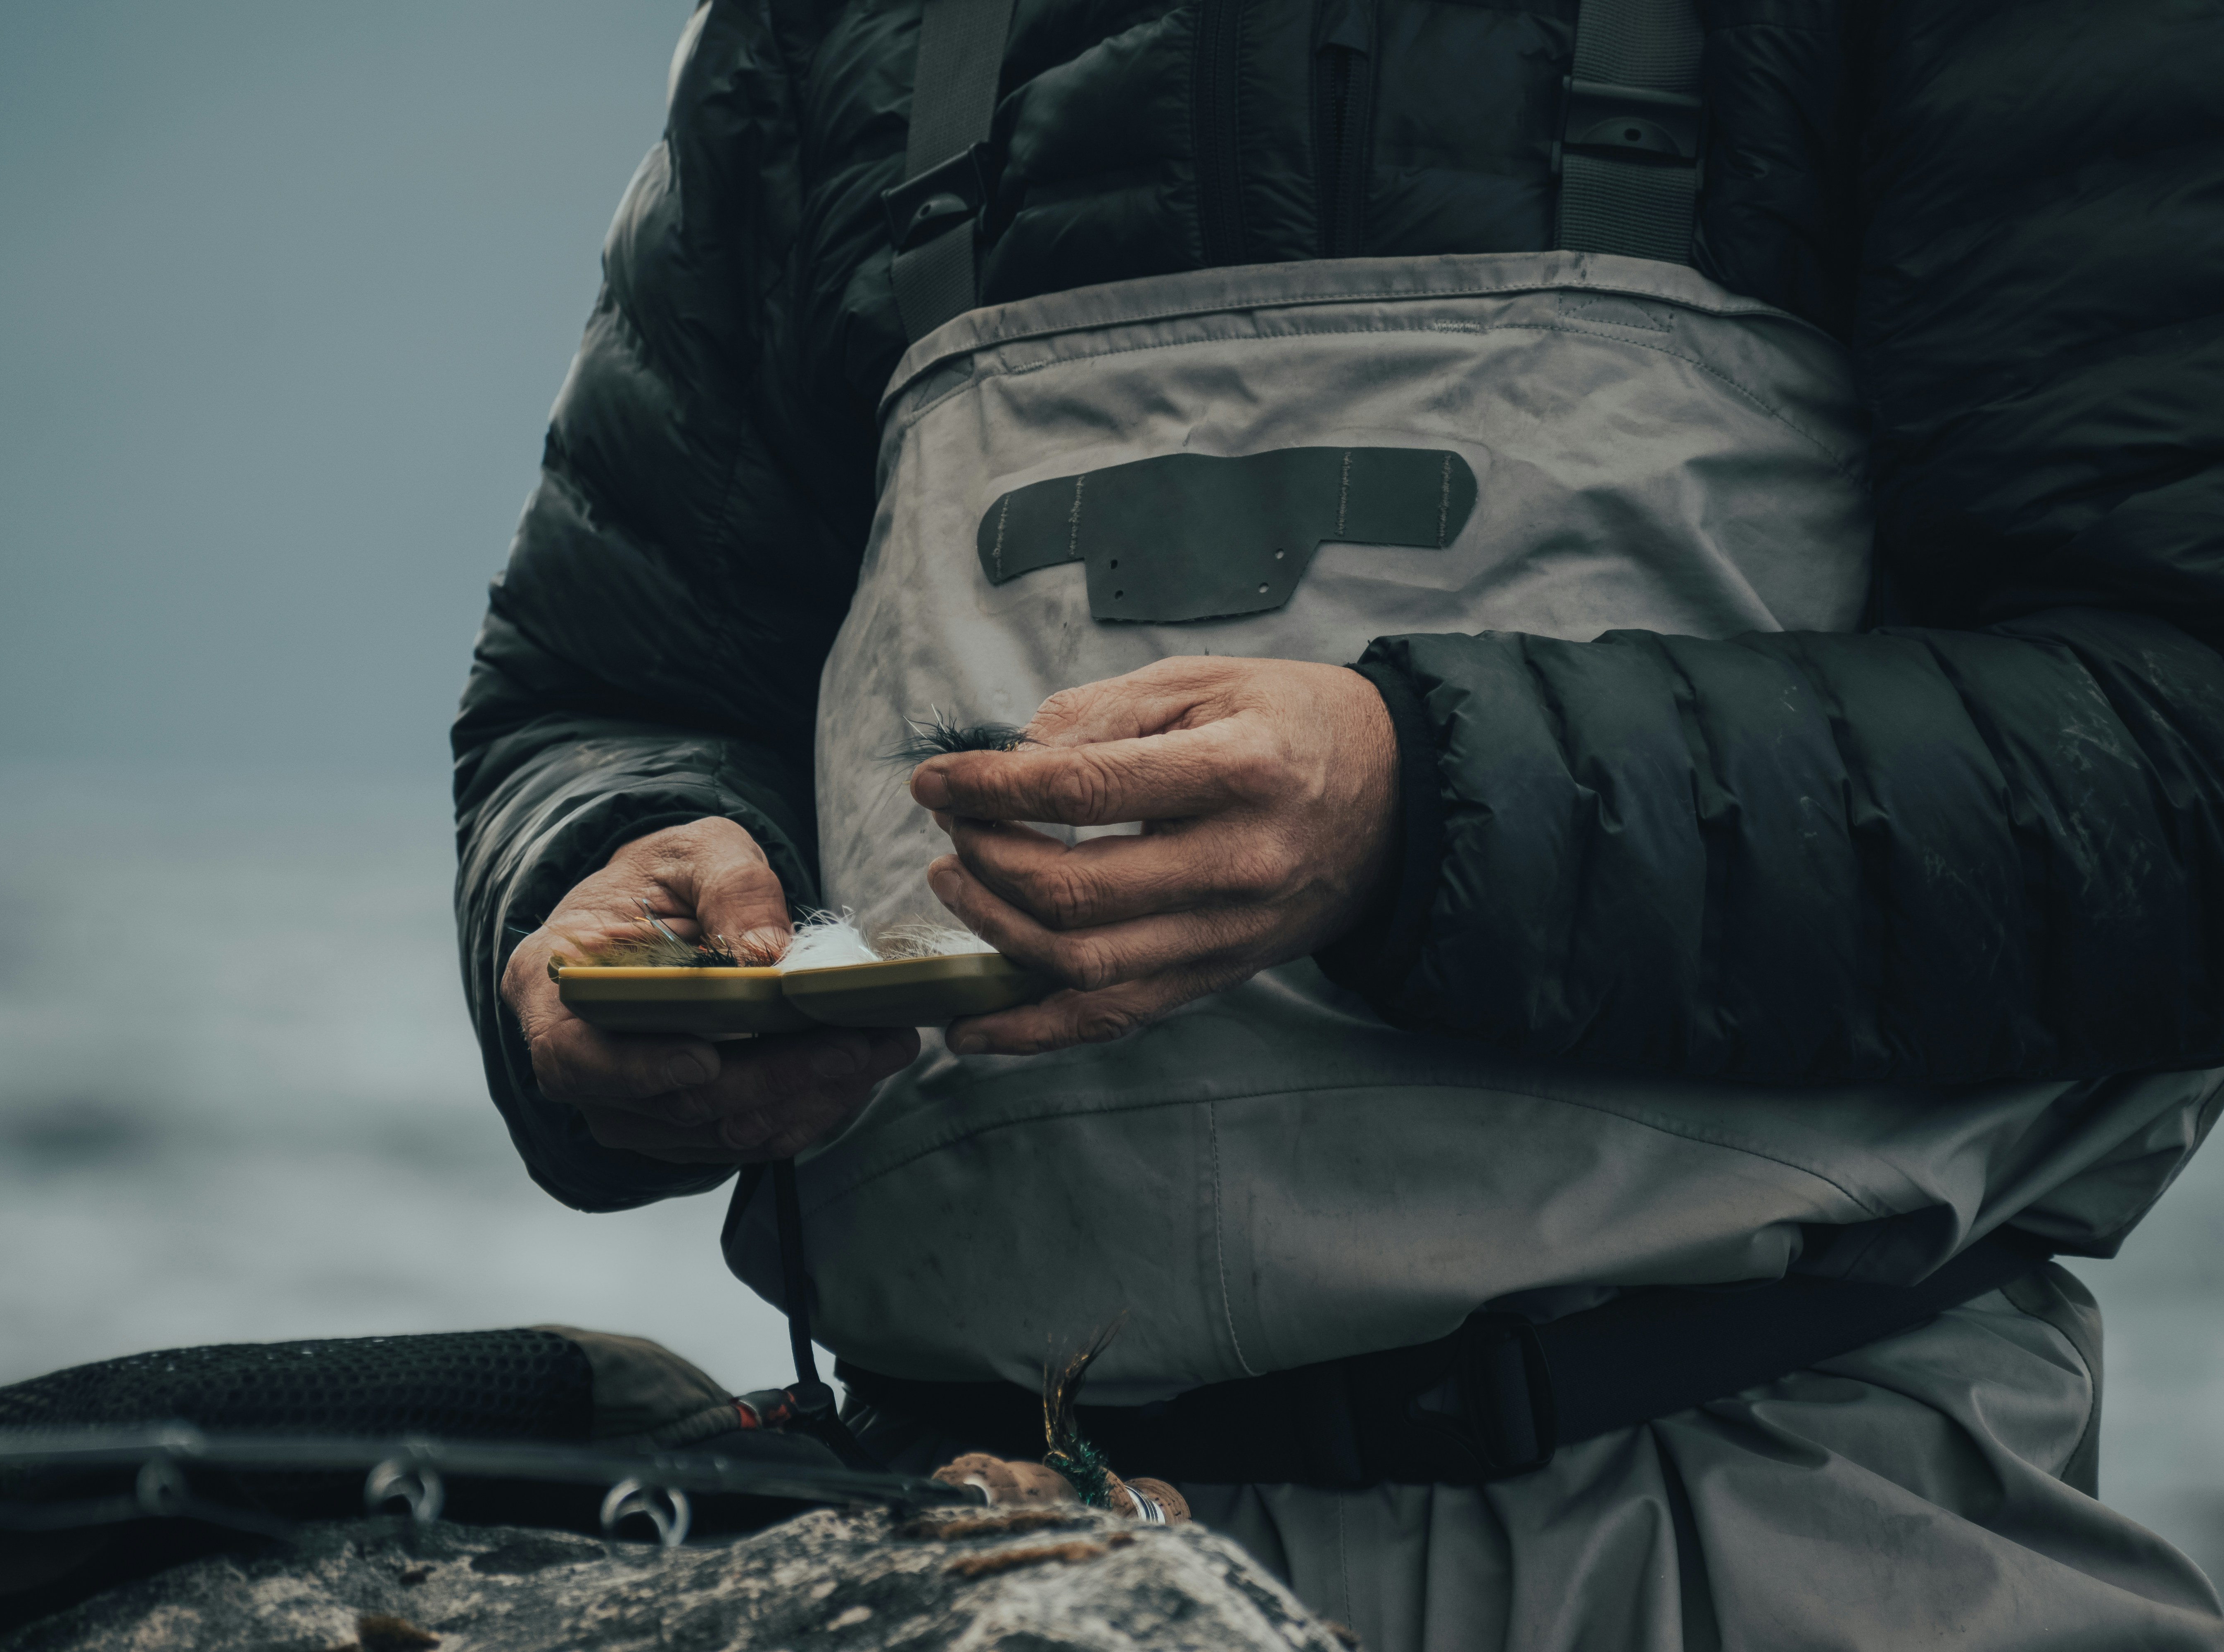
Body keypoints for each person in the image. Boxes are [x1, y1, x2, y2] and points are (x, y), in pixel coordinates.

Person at [453, 2, 2224, 1646]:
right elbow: (605, 696)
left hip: (1782, 1537)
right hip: (961, 1545)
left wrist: (1423, 807)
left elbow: (2180, 751)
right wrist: (602, 897)